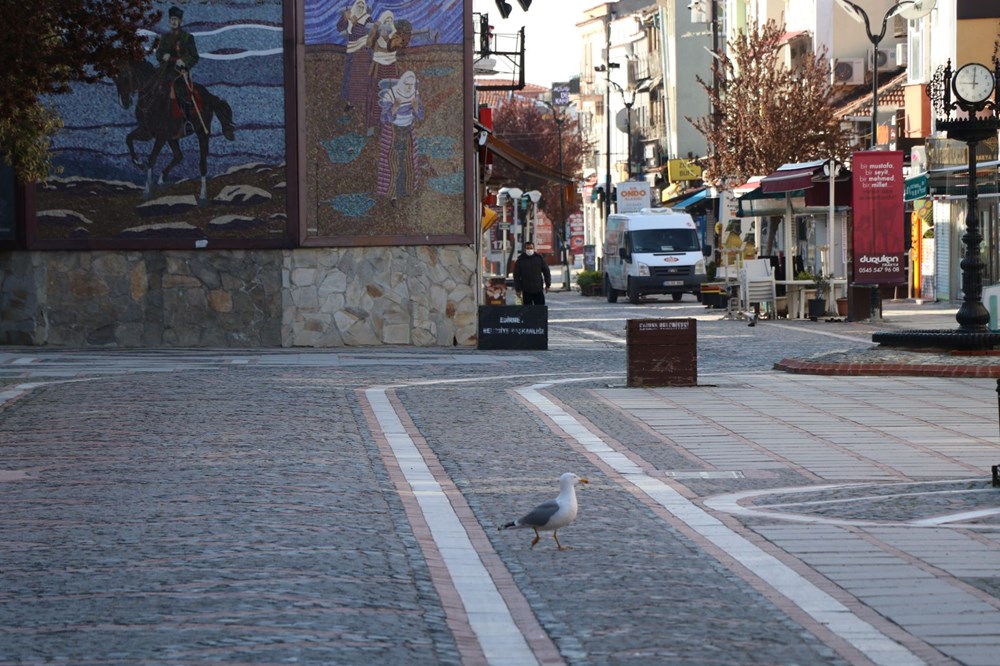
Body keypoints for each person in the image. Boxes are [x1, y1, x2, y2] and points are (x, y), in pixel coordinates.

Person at [156, 6, 200, 136]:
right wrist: (162, 56)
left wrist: (184, 62)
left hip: (181, 72)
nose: (173, 22)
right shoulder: (165, 37)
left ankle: (187, 122)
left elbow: (194, 56)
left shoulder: (188, 38)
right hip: (166, 70)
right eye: (171, 19)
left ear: (180, 21)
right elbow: (159, 54)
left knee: (180, 91)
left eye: (176, 19)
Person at [513, 242, 551, 306]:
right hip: (526, 290)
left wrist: (548, 284)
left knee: (540, 309)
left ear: (533, 248)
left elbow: (546, 271)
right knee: (527, 310)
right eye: (527, 248)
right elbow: (516, 276)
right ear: (525, 249)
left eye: (531, 248)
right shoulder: (520, 260)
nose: (529, 250)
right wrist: (518, 289)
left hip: (538, 288)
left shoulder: (539, 258)